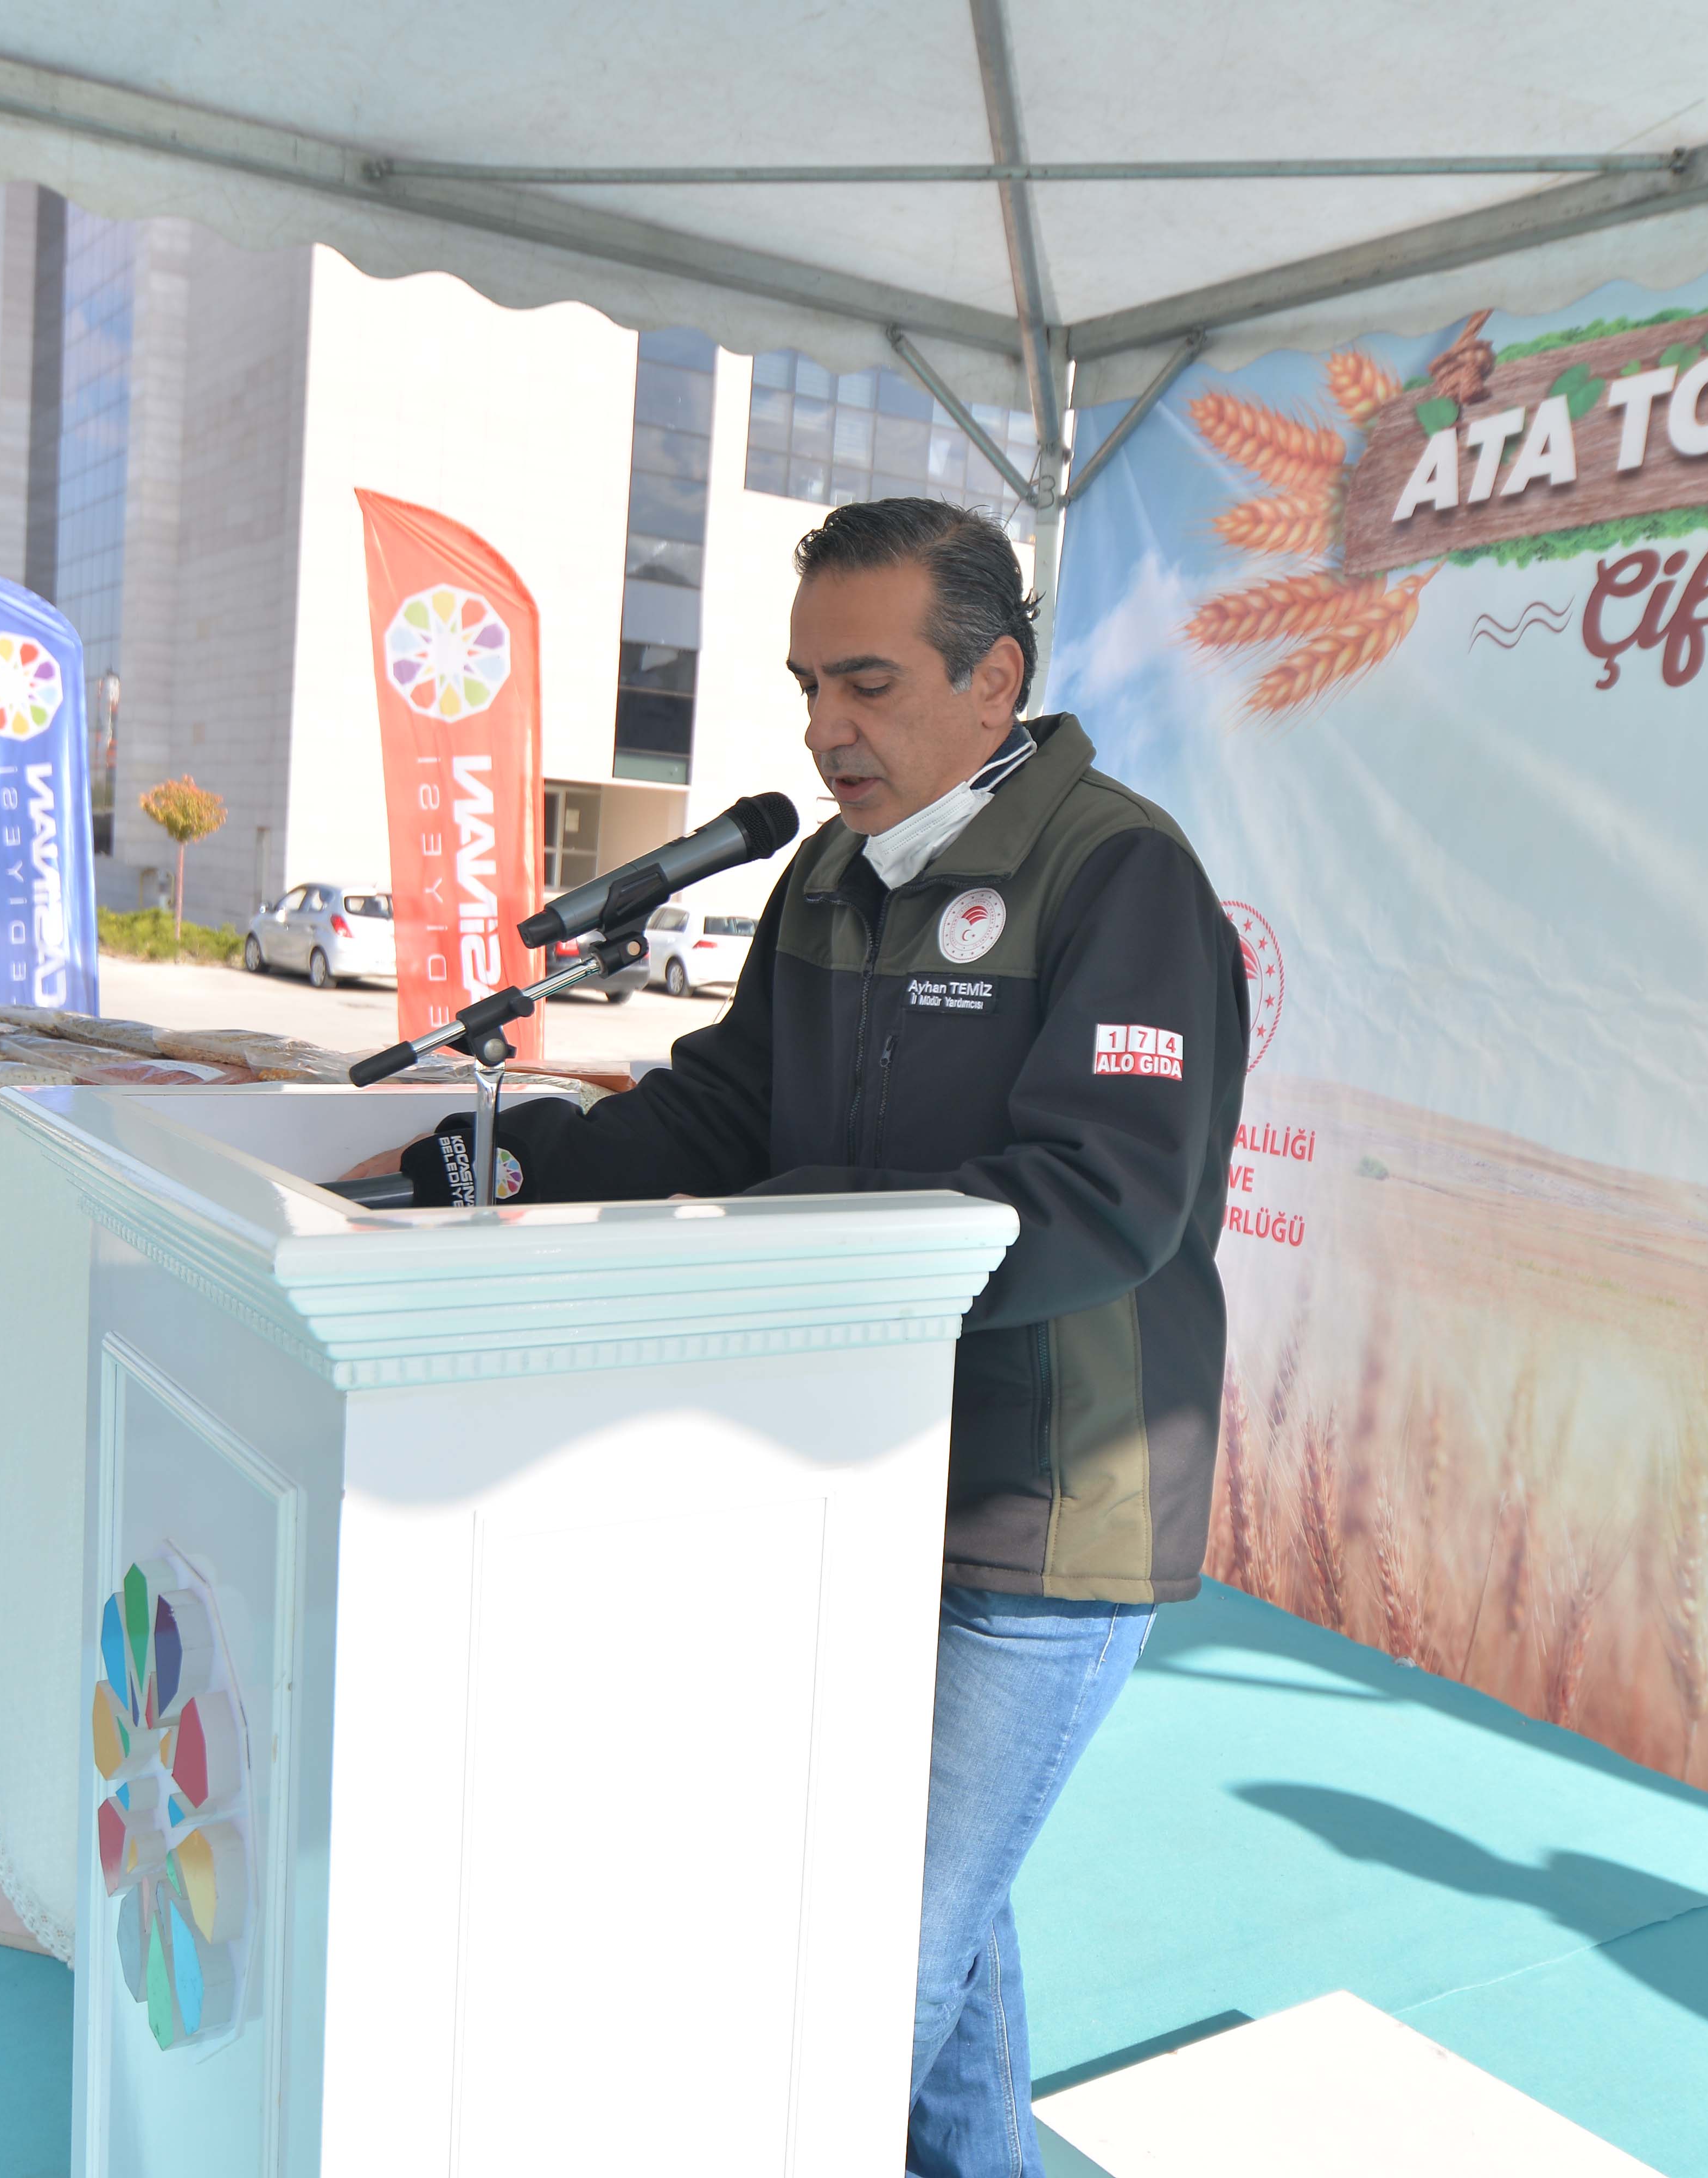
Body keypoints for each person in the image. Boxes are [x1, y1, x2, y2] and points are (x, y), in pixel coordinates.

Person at [380, 497, 1249, 2175]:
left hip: (1042, 1509)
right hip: (849, 1477)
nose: (823, 729)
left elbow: (1102, 1199)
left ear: (994, 679)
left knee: (864, 1966)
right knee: (933, 1922)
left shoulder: (1118, 876)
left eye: (868, 682)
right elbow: (724, 1109)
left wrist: (785, 1257)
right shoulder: (834, 873)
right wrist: (515, 1161)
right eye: (807, 686)